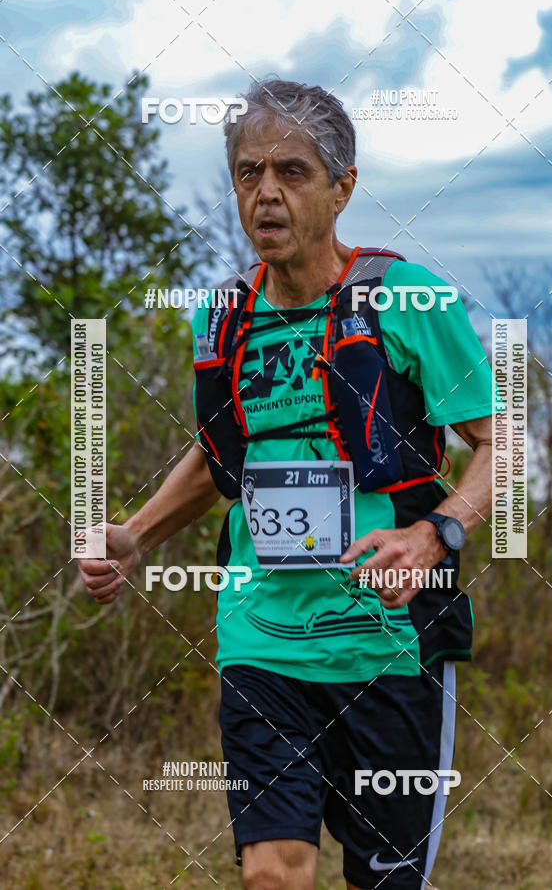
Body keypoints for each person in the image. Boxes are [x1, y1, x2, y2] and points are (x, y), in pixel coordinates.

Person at [78, 79, 495, 890]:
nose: (265, 192)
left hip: (386, 645)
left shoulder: (405, 299)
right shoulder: (224, 318)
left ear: (342, 187)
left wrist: (435, 532)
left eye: (292, 172)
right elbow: (220, 456)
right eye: (247, 173)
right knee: (273, 873)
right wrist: (137, 535)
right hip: (262, 636)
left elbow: (499, 444)